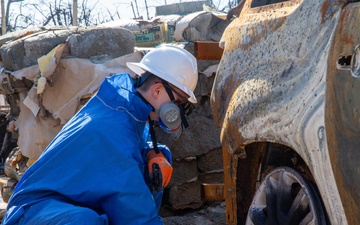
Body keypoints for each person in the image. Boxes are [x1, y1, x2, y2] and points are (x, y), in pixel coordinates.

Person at [2, 45, 198, 225]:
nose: (179, 111)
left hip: (62, 204)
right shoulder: (113, 128)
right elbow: (134, 210)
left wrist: (150, 153)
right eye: (179, 103)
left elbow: (128, 154)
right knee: (83, 221)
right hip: (34, 212)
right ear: (157, 90)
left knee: (154, 164)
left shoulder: (126, 109)